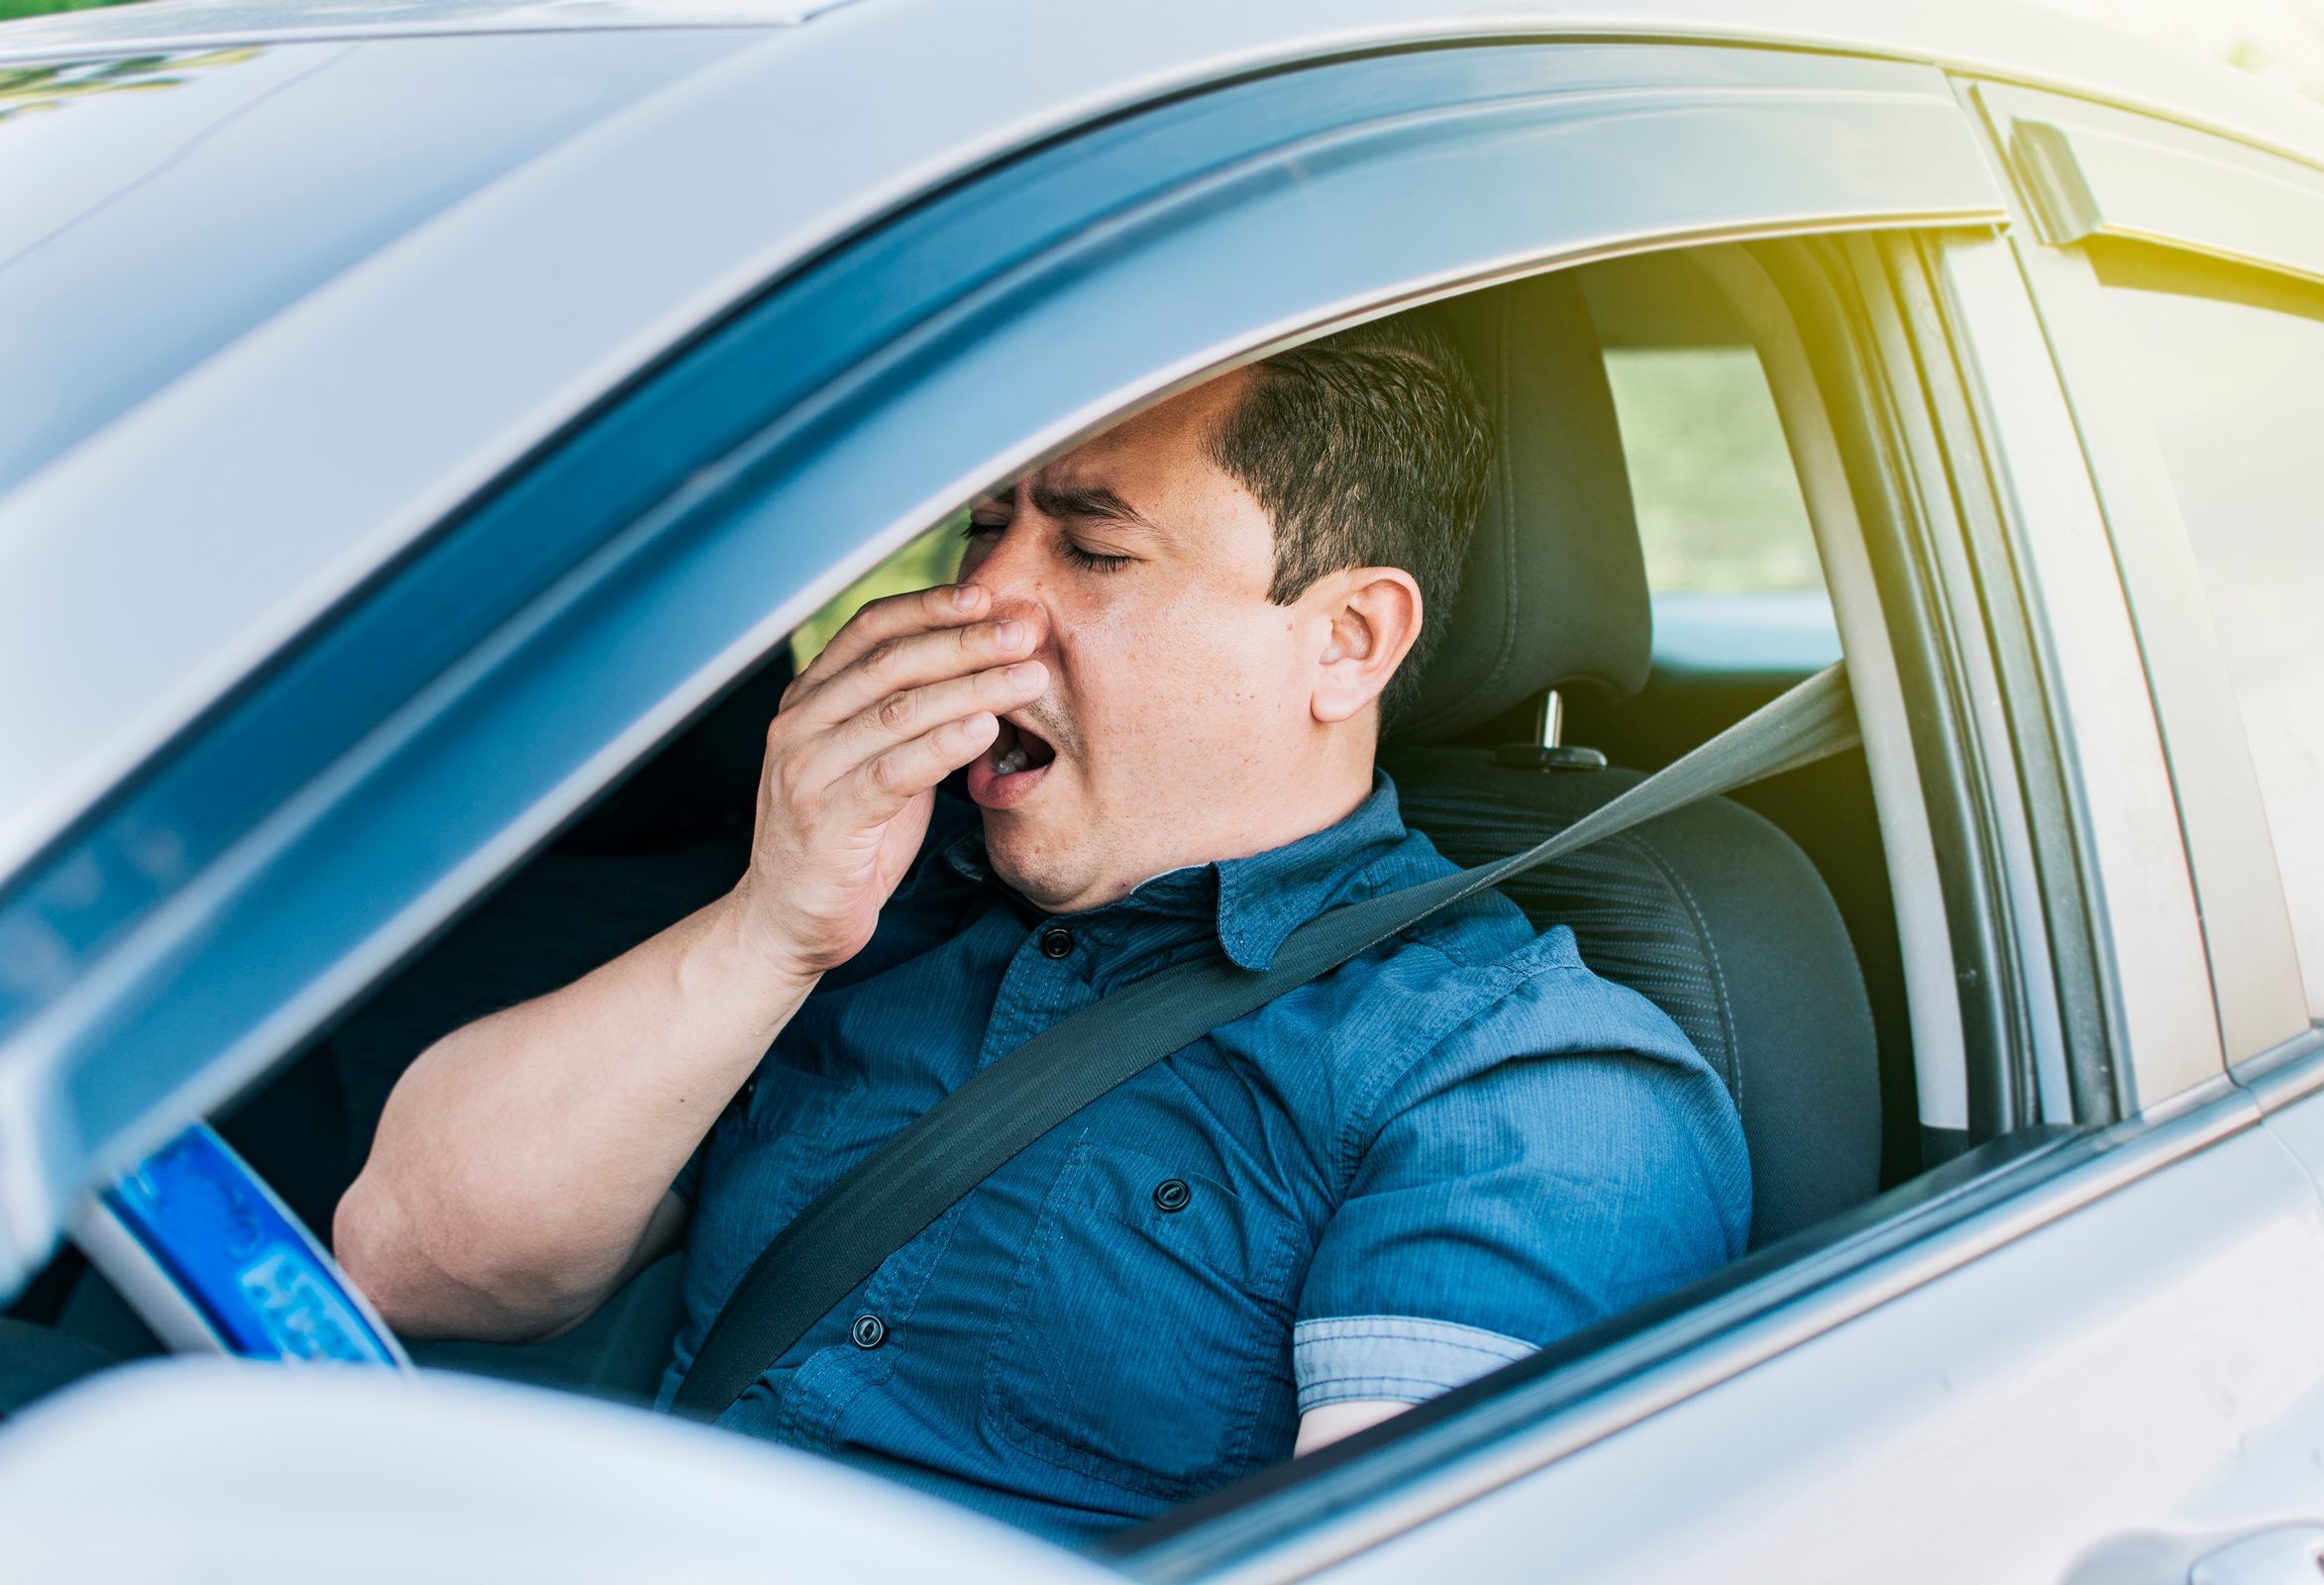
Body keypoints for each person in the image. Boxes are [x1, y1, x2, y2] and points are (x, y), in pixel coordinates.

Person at [334, 311, 1749, 1541]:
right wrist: (773, 927)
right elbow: (411, 1261)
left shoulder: (1525, 1085)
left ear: (1346, 642)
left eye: (1092, 548)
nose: (982, 599)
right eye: (986, 526)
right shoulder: (879, 913)